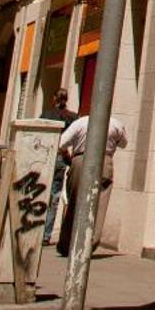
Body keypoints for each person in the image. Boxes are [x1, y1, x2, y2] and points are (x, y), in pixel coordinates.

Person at [56, 110, 127, 258]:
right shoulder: (115, 124)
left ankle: (66, 243)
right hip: (105, 161)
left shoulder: (80, 123)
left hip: (80, 159)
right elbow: (124, 144)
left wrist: (67, 156)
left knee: (74, 202)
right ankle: (89, 244)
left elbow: (61, 143)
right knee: (99, 204)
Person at [39, 90, 72, 247]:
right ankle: (46, 235)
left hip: (45, 156)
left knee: (40, 192)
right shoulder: (71, 117)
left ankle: (36, 230)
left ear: (54, 98)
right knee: (54, 196)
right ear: (66, 99)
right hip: (60, 158)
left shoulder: (46, 115)